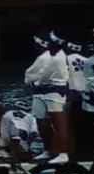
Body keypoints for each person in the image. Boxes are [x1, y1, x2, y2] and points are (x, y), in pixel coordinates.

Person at [26, 33, 69, 164]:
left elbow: (42, 76)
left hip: (53, 92)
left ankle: (63, 153)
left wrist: (35, 82)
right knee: (41, 121)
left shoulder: (55, 58)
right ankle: (48, 150)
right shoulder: (50, 56)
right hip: (41, 92)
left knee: (58, 122)